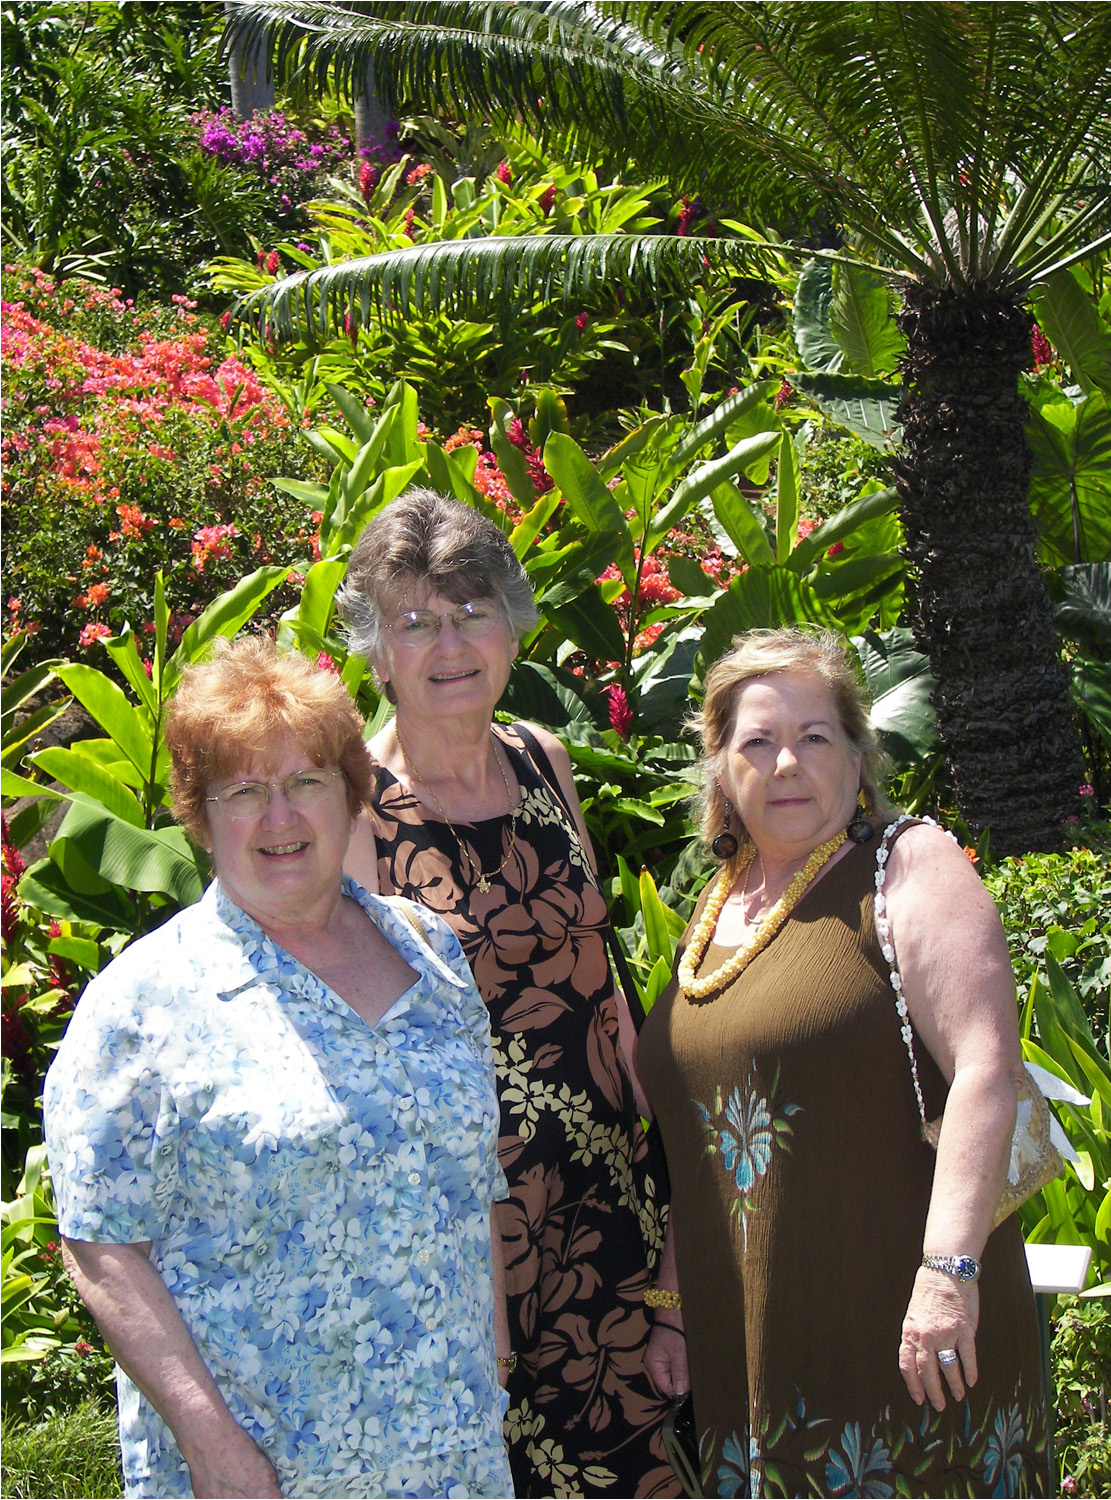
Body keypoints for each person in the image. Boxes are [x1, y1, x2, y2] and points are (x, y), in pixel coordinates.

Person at [43, 638, 513, 1500]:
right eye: (245, 793)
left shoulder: (430, 950)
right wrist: (211, 1443)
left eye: (305, 782)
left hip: (452, 1450)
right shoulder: (144, 1003)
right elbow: (103, 1245)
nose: (280, 818)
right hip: (268, 1466)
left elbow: (471, 1175)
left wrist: (495, 1356)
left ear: (350, 793)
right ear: (201, 815)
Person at [636, 627, 1049, 1498]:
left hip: (905, 1331)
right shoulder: (716, 905)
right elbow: (699, 1131)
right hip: (752, 1339)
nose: (786, 763)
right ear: (720, 768)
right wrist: (673, 1308)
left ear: (857, 757)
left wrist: (948, 1277)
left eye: (813, 737)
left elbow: (985, 1068)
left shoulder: (908, 865)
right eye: (756, 741)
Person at [339, 487, 676, 1499]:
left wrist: (673, 1201)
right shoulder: (349, 802)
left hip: (609, 1202)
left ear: (514, 628)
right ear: (377, 650)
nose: (449, 642)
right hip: (469, 1230)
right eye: (415, 621)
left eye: (472, 611)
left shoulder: (545, 761)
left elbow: (602, 987)